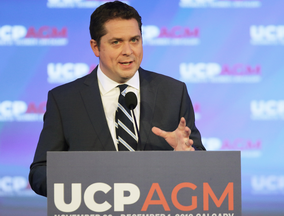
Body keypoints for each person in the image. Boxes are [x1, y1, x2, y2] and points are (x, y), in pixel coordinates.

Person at [29, 0, 206, 197]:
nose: (128, 51)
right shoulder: (65, 100)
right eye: (116, 42)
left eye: (134, 40)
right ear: (96, 47)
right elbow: (40, 172)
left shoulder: (173, 92)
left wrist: (187, 158)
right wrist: (81, 186)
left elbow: (199, 156)